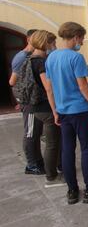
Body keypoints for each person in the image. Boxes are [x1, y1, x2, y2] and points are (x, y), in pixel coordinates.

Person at [45, 22, 88, 204]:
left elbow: (49, 89)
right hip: (81, 112)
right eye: (81, 38)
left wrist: (55, 111)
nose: (81, 42)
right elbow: (83, 86)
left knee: (67, 150)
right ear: (75, 36)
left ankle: (72, 191)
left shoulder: (50, 58)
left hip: (63, 112)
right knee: (87, 149)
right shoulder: (76, 58)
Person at [28, 30, 65, 188]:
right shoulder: (41, 62)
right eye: (53, 43)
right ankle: (51, 177)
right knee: (52, 143)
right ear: (46, 43)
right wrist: (55, 110)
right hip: (46, 108)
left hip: (35, 106)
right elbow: (48, 88)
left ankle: (57, 168)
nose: (54, 46)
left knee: (53, 141)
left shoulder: (29, 59)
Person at [9, 29, 45, 175]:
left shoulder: (31, 56)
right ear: (30, 39)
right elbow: (13, 81)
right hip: (29, 102)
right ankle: (31, 165)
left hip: (34, 101)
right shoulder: (22, 57)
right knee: (30, 132)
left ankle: (38, 161)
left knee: (36, 132)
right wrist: (21, 99)